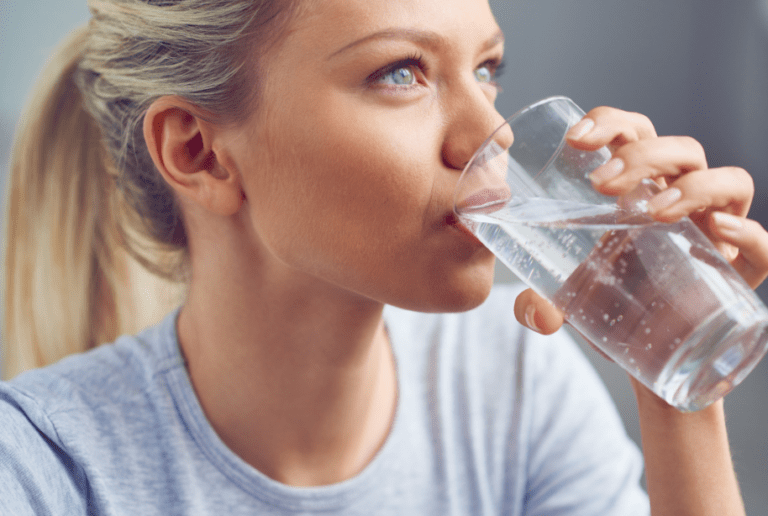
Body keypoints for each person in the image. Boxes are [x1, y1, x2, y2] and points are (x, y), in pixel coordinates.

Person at [1, 0, 765, 513]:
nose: (491, 136)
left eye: (487, 70)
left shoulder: (512, 383)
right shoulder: (43, 468)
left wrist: (677, 376)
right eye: (400, 73)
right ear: (200, 153)